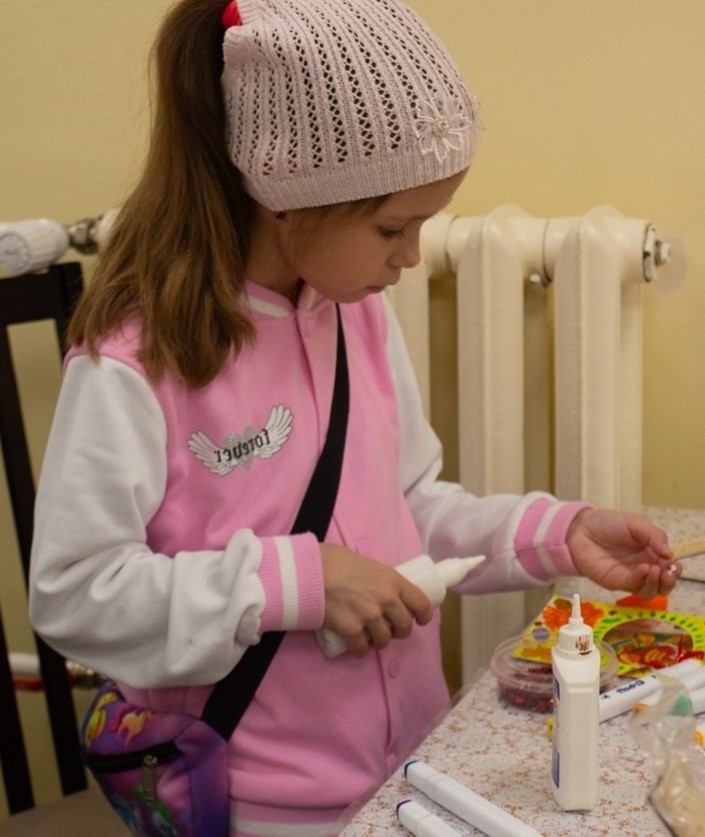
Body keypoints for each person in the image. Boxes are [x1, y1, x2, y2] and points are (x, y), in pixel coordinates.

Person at [29, 0, 681, 834]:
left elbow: (405, 513)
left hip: (409, 767)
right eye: (391, 227)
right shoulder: (133, 360)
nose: (410, 256)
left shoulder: (353, 309)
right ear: (286, 197)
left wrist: (559, 533)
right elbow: (74, 594)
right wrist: (294, 581)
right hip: (262, 804)